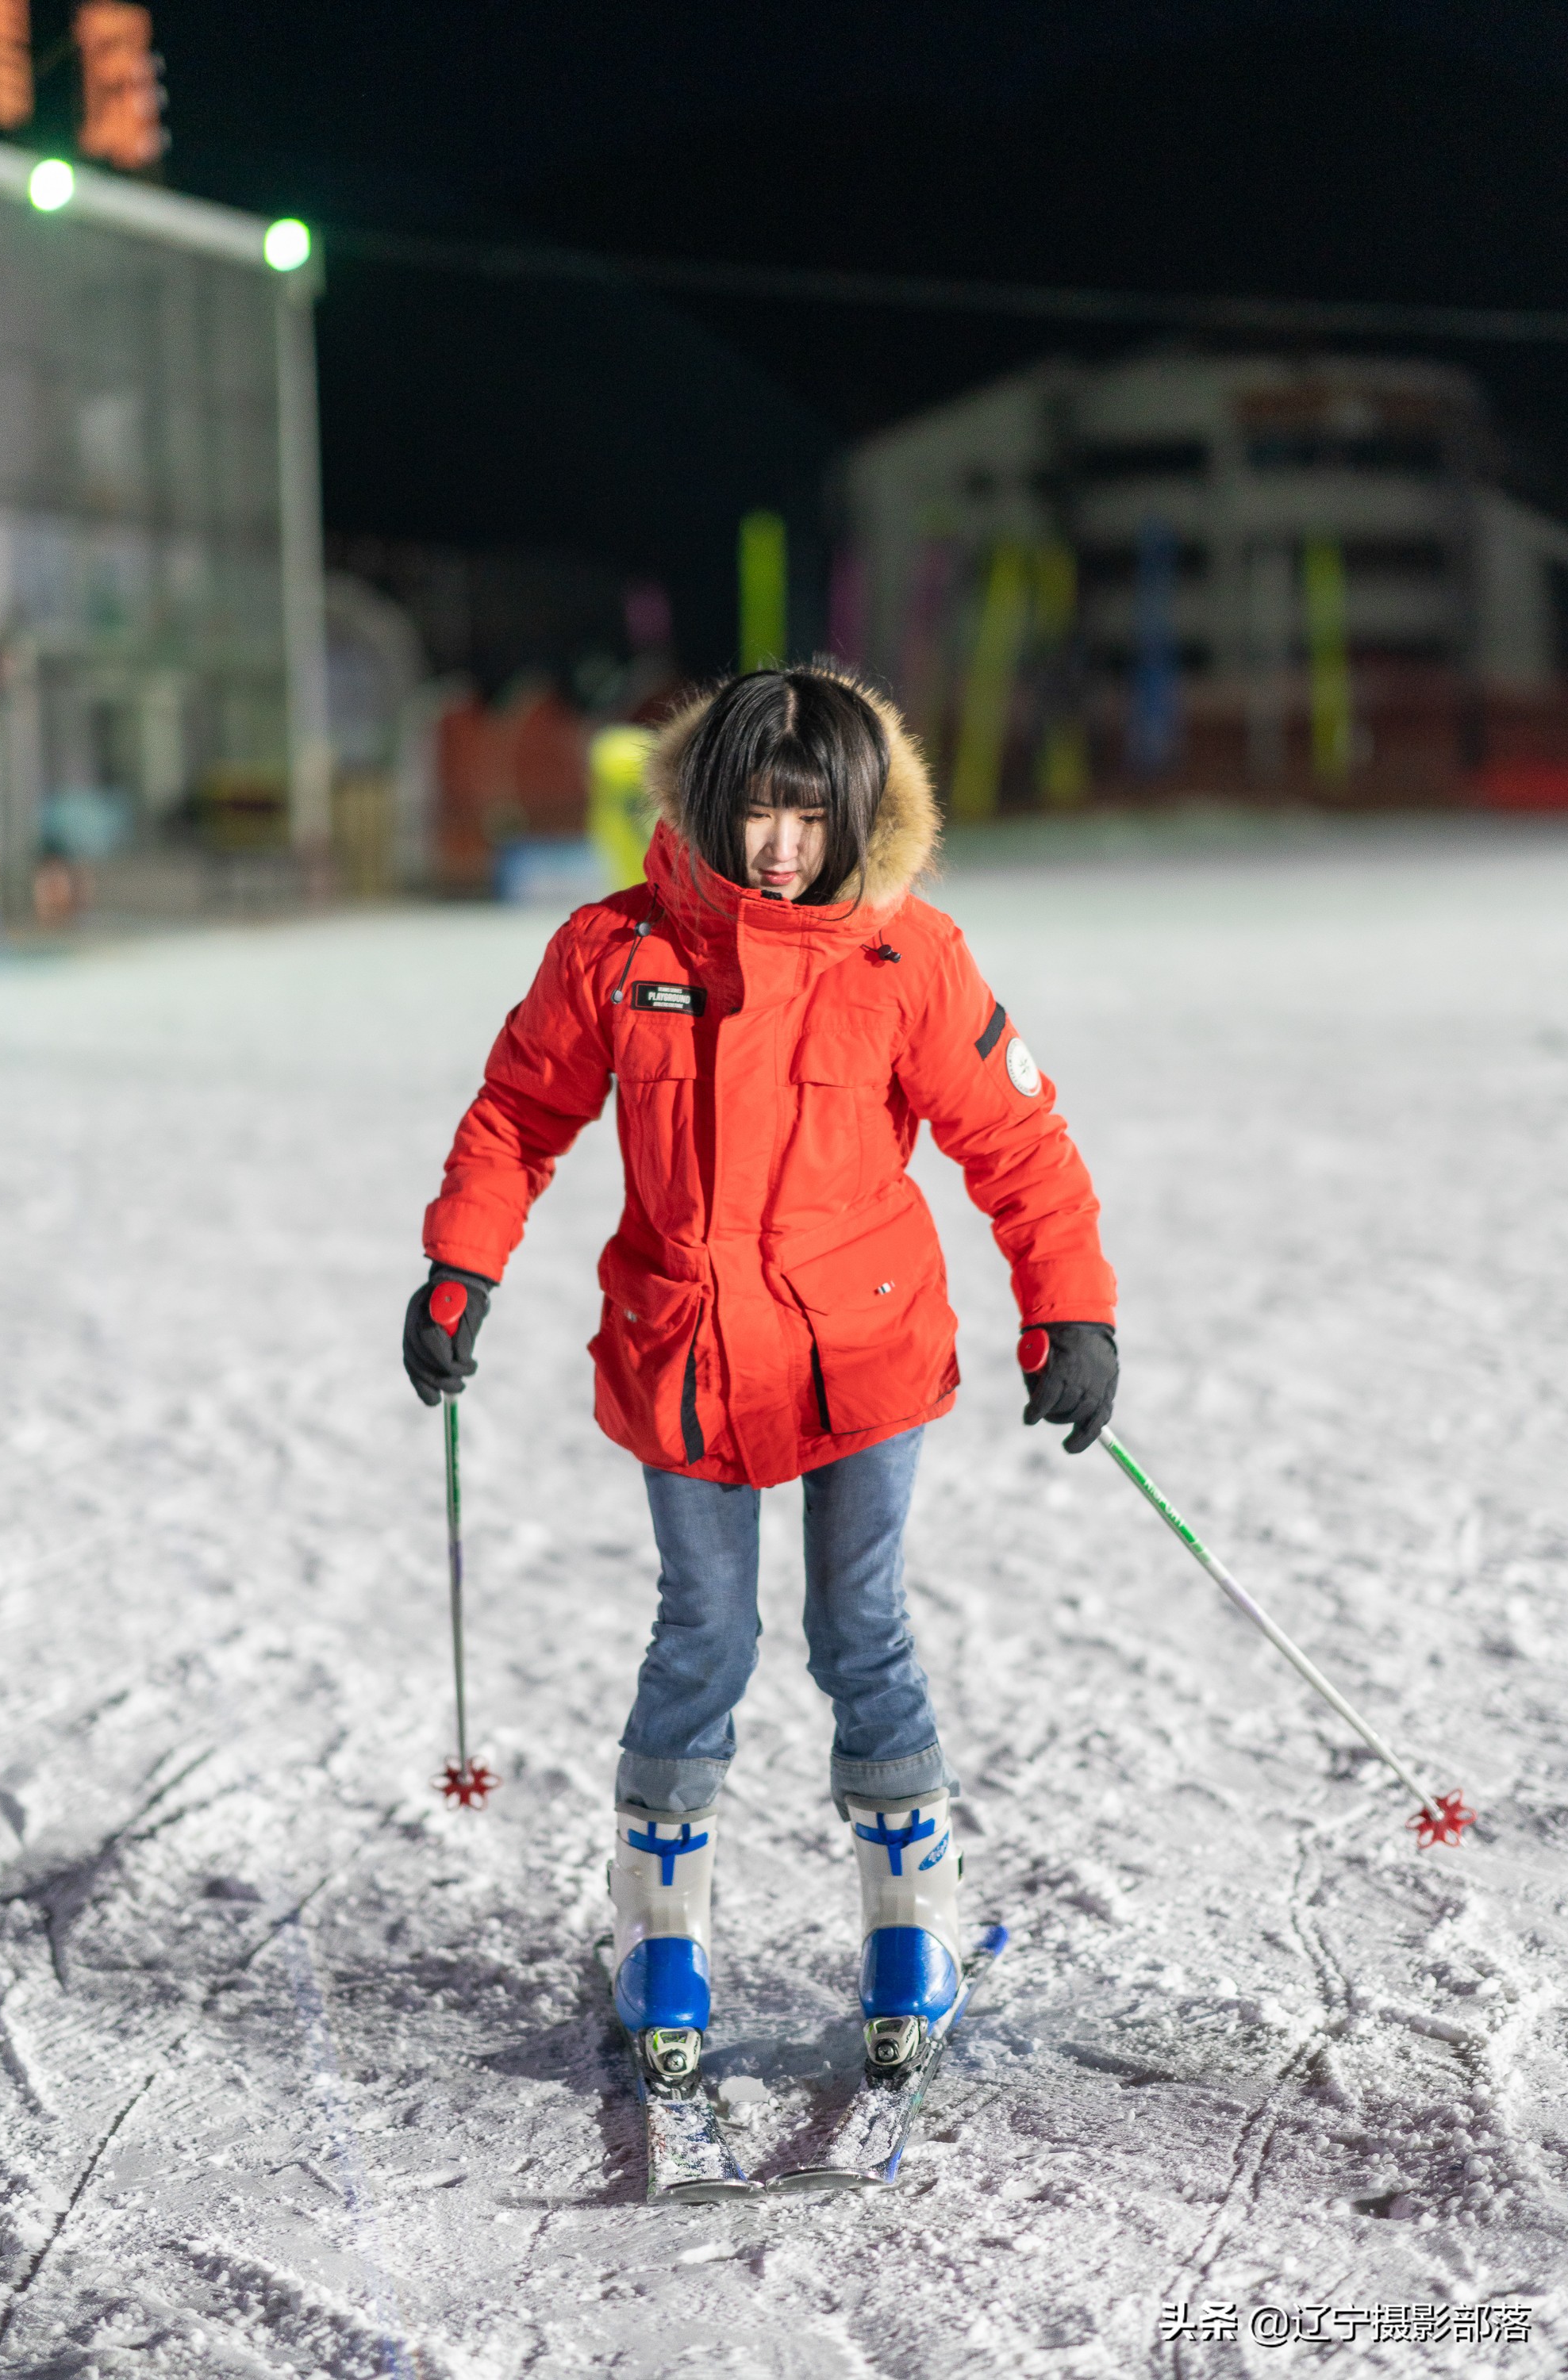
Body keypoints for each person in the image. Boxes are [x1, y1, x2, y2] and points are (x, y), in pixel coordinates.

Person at [403, 666, 1116, 2082]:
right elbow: (518, 1112)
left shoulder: (907, 957)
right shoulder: (615, 948)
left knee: (861, 1631)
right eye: (753, 812)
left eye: (807, 816)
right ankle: (660, 1931)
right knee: (706, 1634)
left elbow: (1017, 1142)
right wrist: (460, 1266)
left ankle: (913, 1923)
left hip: (863, 1346)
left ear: (856, 814)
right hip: (687, 1351)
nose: (778, 846)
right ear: (705, 804)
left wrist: (1071, 1311)